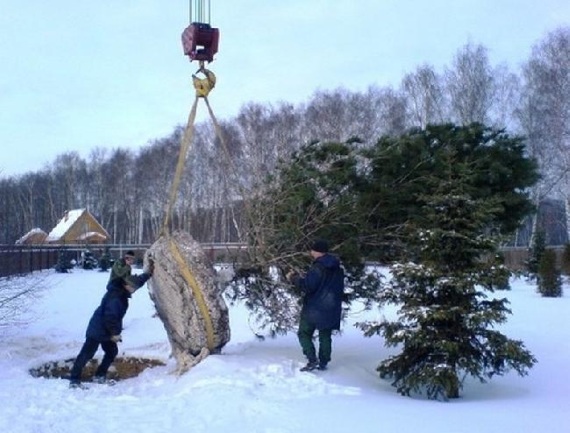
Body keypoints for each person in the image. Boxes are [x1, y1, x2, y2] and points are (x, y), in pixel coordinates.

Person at [68, 255, 154, 388]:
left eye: (135, 288)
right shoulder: (116, 297)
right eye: (133, 288)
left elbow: (137, 281)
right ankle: (74, 380)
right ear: (126, 285)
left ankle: (100, 375)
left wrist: (147, 274)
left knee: (111, 352)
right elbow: (110, 317)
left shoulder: (123, 288)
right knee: (87, 353)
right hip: (98, 328)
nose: (134, 290)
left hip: (107, 329)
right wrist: (114, 334)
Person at [287, 239, 344, 372]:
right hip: (331, 307)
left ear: (317, 252)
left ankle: (312, 359)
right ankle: (323, 362)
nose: (310, 252)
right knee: (325, 335)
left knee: (303, 333)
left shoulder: (318, 267)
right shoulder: (338, 268)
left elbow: (308, 286)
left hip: (315, 307)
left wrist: (293, 278)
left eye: (312, 250)